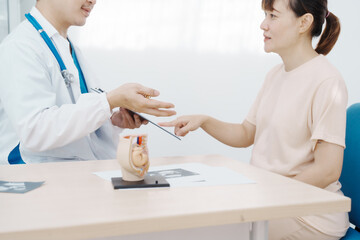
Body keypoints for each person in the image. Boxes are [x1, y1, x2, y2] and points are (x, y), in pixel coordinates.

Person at [160, 0, 349, 239]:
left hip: (309, 214)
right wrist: (205, 120)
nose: (263, 25)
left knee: (207, 229)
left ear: (304, 22)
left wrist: (267, 193)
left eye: (272, 15)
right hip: (271, 200)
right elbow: (246, 134)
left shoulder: (327, 81)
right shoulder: (275, 75)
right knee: (191, 214)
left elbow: (328, 170)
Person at [0, 0, 176, 165]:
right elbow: (35, 130)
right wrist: (109, 100)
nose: (93, 0)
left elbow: (77, 122)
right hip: (34, 180)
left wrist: (114, 121)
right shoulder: (20, 47)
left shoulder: (69, 48)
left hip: (72, 175)